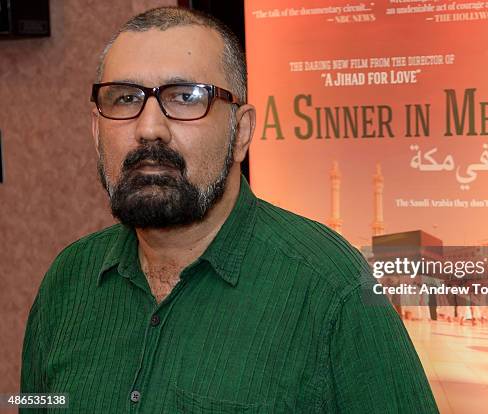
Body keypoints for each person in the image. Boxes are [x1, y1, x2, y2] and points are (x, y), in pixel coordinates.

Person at [19, 7, 438, 413]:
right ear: (96, 131)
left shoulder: (332, 290)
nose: (149, 129)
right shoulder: (68, 282)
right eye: (125, 99)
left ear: (241, 132)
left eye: (185, 97)